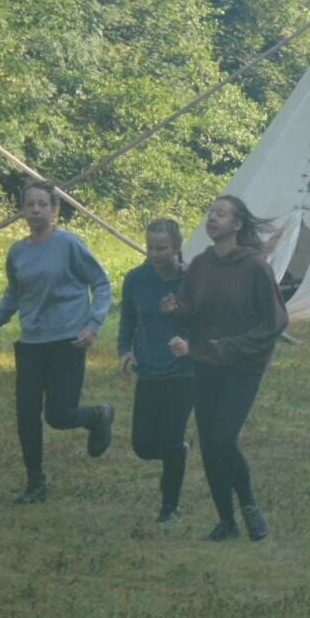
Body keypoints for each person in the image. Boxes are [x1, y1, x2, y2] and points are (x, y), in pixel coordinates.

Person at [0, 180, 115, 504]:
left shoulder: (69, 245)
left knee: (59, 416)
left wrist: (93, 325)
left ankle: (98, 416)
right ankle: (35, 482)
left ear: (54, 209)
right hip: (31, 344)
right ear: (22, 209)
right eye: (30, 204)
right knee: (26, 414)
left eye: (42, 204)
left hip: (68, 341)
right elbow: (14, 293)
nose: (36, 210)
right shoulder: (17, 252)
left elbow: (101, 283)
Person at [165, 195, 288, 541]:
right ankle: (226, 522)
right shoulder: (200, 266)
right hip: (206, 362)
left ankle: (248, 505)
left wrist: (229, 347)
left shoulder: (255, 267)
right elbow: (192, 312)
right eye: (210, 213)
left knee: (223, 438)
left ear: (237, 224)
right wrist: (175, 310)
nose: (212, 219)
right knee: (208, 442)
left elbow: (275, 322)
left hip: (243, 366)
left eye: (221, 214)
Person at [118, 218, 195, 523]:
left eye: (161, 248)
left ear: (176, 247)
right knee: (143, 444)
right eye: (150, 247)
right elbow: (127, 319)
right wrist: (125, 350)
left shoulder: (191, 280)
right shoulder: (136, 279)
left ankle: (169, 507)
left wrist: (189, 343)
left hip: (183, 372)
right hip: (148, 369)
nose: (154, 254)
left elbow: (207, 320)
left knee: (172, 436)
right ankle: (178, 455)